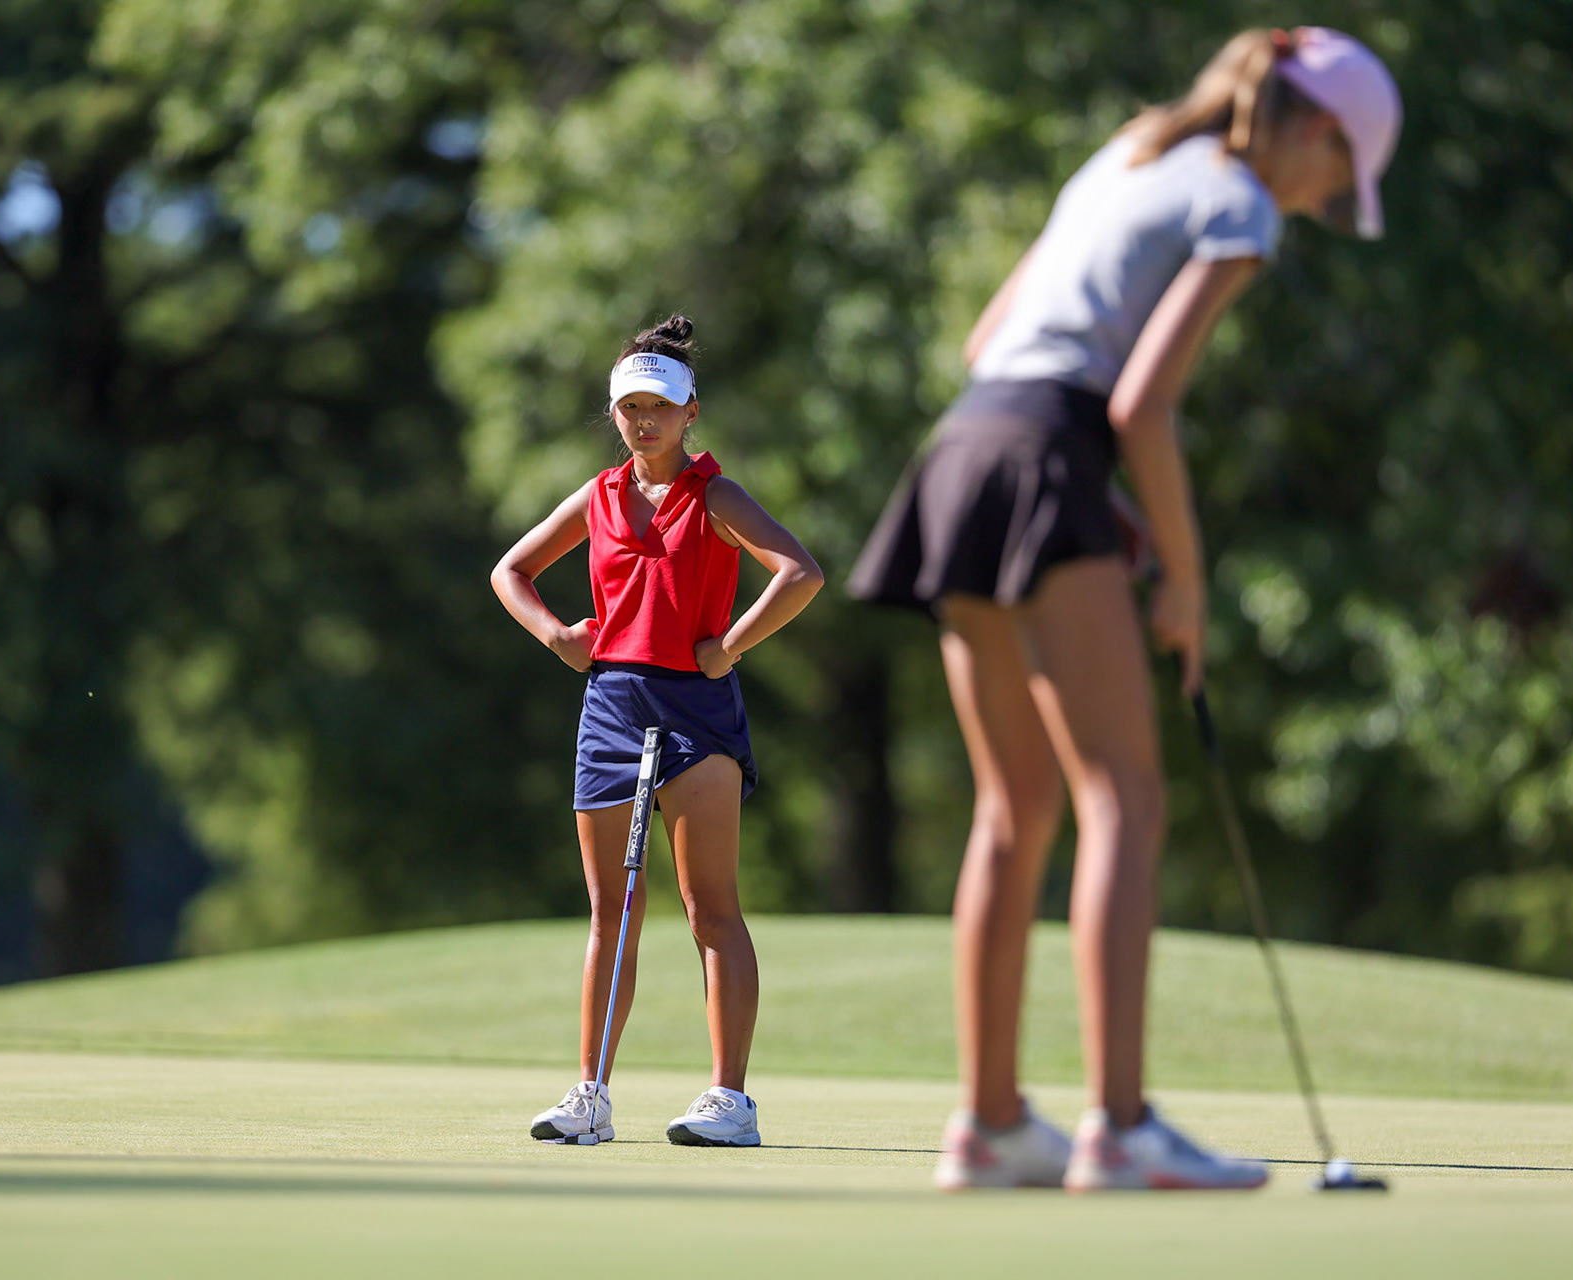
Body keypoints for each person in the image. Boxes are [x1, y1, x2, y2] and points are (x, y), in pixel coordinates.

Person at [848, 27, 1400, 1190]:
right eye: (1336, 178)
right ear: (1310, 130)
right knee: (1126, 795)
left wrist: (1105, 501)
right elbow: (1143, 404)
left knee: (1016, 806)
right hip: (1048, 453)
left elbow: (988, 337)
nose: (1318, 204)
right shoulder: (1241, 204)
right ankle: (1122, 1125)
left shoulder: (1125, 158)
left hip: (966, 447)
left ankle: (992, 1126)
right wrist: (1186, 577)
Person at [493, 315, 824, 1147]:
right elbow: (512, 571)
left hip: (696, 710)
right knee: (613, 911)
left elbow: (801, 572)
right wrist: (558, 637)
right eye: (631, 407)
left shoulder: (714, 495)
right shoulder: (598, 497)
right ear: (615, 414)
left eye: (661, 407)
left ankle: (730, 1102)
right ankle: (591, 1094)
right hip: (610, 707)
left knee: (711, 911)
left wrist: (732, 645)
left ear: (691, 413)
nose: (645, 421)